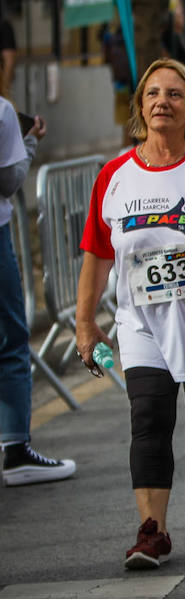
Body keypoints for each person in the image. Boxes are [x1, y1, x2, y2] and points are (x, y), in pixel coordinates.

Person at [75, 59, 185, 568]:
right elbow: (96, 252)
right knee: (149, 417)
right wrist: (85, 322)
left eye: (175, 94)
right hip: (141, 321)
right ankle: (151, 531)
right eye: (153, 94)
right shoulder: (114, 175)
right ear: (140, 106)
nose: (162, 102)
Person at [1, 100, 77, 486]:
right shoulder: (1, 111)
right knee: (11, 340)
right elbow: (9, 180)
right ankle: (15, 451)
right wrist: (28, 142)